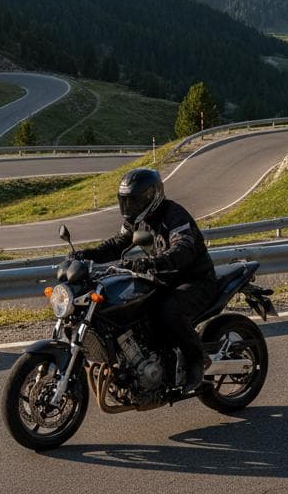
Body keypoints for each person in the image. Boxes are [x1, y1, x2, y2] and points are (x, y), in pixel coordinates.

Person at [77, 167, 217, 393]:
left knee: (170, 311)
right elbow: (117, 243)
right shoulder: (137, 220)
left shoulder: (174, 215)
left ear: (152, 196)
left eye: (134, 201)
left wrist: (153, 262)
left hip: (195, 280)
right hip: (161, 280)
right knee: (132, 311)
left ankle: (196, 361)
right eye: (126, 201)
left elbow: (183, 248)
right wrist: (87, 255)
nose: (129, 207)